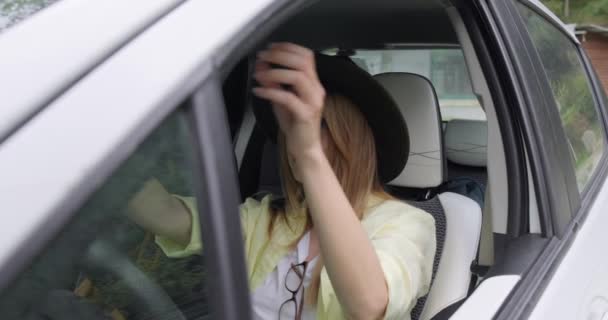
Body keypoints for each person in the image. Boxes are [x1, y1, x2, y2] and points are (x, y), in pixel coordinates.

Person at [127, 42, 436, 320]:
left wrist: (310, 154)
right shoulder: (268, 218)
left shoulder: (409, 223)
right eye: (289, 128)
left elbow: (370, 305)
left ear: (351, 138)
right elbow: (168, 216)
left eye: (317, 125)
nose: (293, 141)